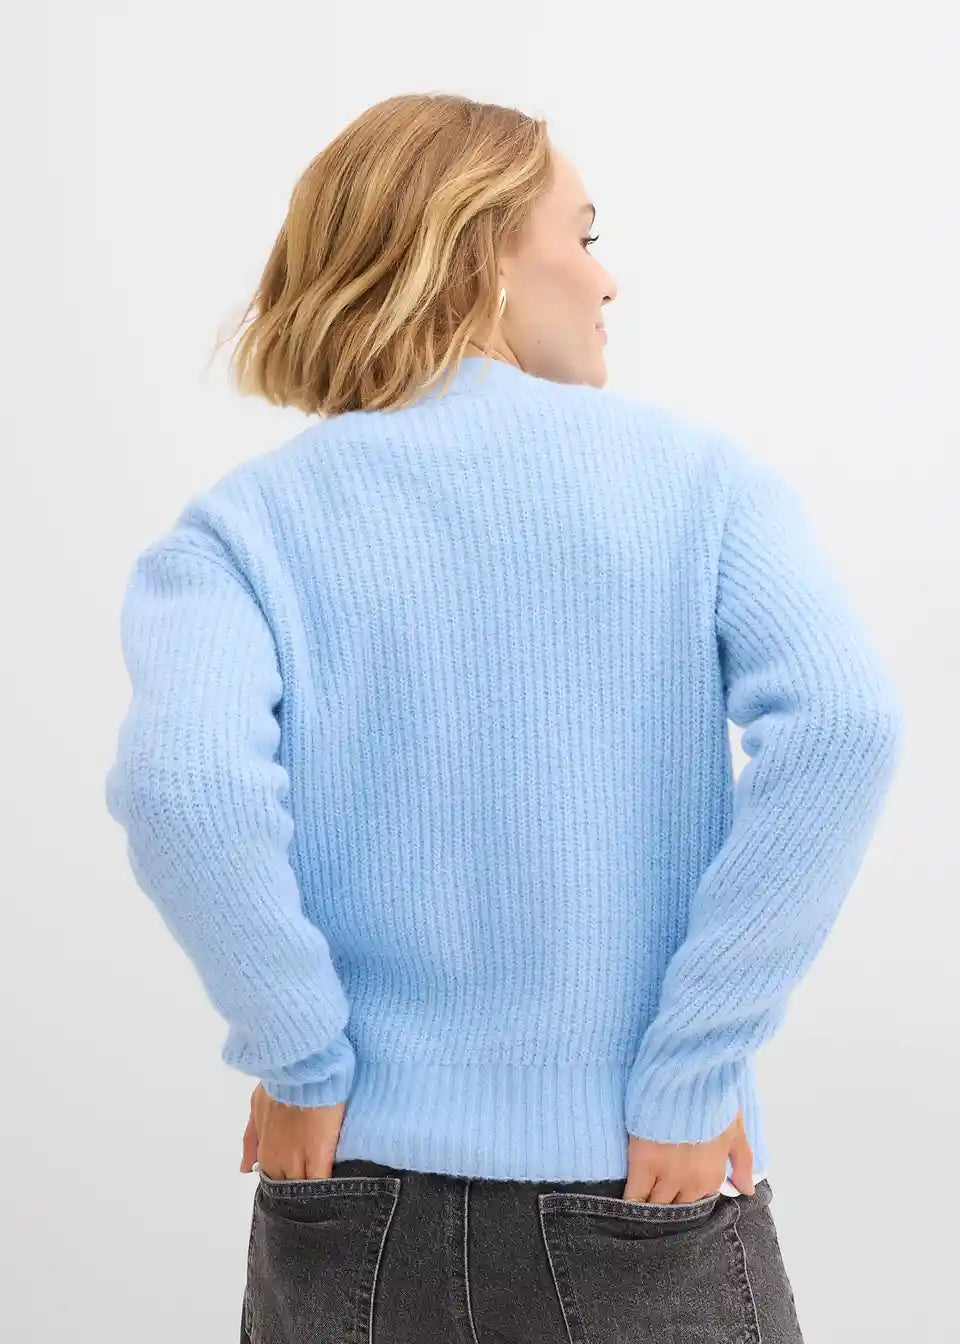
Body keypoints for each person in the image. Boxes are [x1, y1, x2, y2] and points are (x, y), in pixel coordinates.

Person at [104, 93, 903, 1344]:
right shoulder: (701, 487)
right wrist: (692, 1073)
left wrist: (300, 1056)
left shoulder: (244, 530)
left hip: (350, 1194)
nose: (608, 278)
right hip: (643, 1180)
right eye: (583, 236)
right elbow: (843, 727)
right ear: (479, 254)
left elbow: (182, 790)